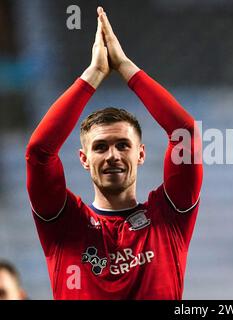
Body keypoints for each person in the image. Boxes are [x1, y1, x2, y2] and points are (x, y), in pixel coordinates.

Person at [25, 7, 202, 300]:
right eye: (100, 147)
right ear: (83, 159)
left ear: (141, 154)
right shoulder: (62, 221)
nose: (112, 156)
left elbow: (186, 133)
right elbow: (39, 152)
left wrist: (125, 66)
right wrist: (93, 74)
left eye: (123, 145)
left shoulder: (169, 215)